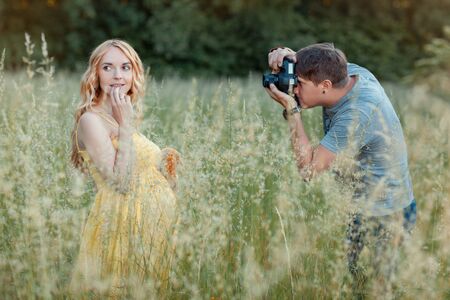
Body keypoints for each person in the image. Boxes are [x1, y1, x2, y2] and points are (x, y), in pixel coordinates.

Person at [265, 43, 416, 297]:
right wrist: (287, 54)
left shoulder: (358, 113)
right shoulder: (349, 74)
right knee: (357, 285)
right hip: (363, 208)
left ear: (324, 85)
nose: (293, 89)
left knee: (379, 293)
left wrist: (292, 111)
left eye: (298, 83)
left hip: (385, 217)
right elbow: (323, 58)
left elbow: (309, 171)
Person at [69, 39, 179, 297]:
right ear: (95, 74)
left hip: (148, 229)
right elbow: (121, 182)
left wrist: (163, 168)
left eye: (125, 67)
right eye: (107, 67)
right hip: (120, 226)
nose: (118, 75)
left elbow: (134, 166)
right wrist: (126, 124)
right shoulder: (91, 120)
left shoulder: (120, 115)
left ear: (134, 74)